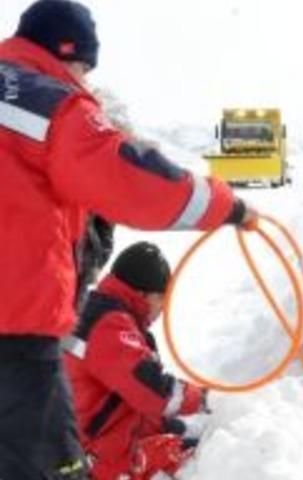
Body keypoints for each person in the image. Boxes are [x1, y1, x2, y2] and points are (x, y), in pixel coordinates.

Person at [0, 1, 256, 478]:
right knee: (55, 468)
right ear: (66, 52)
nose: (85, 80)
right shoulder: (50, 105)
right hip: (15, 333)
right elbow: (135, 181)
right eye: (84, 67)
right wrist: (229, 207)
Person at [64, 242, 207, 479]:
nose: (163, 309)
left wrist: (167, 427)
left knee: (191, 442)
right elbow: (153, 391)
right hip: (87, 461)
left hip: (76, 441)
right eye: (162, 298)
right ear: (143, 295)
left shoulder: (93, 309)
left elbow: (125, 396)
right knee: (196, 458)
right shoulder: (110, 326)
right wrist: (202, 398)